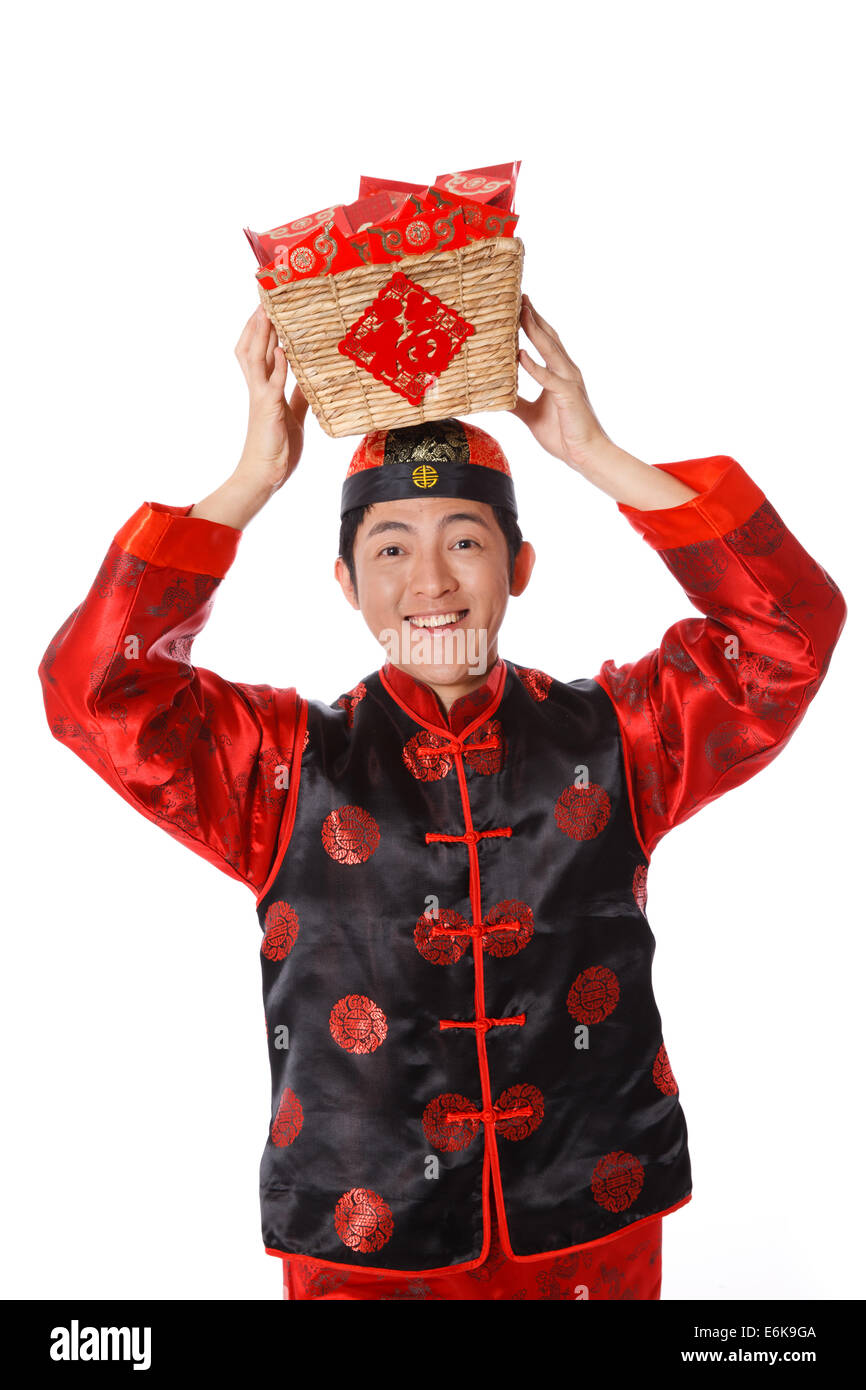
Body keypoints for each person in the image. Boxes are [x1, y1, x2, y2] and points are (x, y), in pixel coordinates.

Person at [38, 296, 846, 1300]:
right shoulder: (281, 762)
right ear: (344, 583)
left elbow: (788, 634)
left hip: (591, 1224)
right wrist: (248, 481)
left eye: (465, 541)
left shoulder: (623, 736)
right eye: (388, 549)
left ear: (520, 565)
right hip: (361, 1238)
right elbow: (93, 695)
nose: (430, 580)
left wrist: (593, 453)